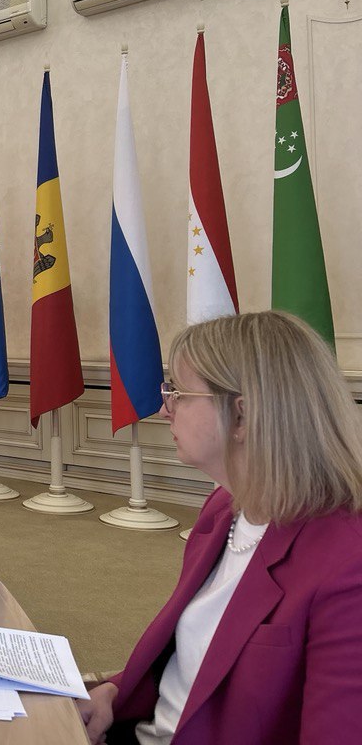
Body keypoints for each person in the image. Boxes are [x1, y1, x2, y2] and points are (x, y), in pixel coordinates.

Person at [79, 311, 362, 745]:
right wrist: (114, 692)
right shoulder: (223, 510)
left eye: (177, 393)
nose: (164, 408)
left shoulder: (347, 562)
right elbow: (189, 658)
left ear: (242, 417)